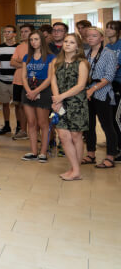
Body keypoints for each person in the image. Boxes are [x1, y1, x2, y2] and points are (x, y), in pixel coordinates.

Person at [50, 33, 89, 181]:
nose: (67, 44)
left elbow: (80, 86)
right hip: (59, 103)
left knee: (75, 136)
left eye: (72, 42)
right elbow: (53, 81)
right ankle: (75, 169)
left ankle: (75, 170)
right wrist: (57, 99)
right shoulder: (56, 61)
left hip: (77, 103)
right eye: (66, 41)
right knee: (63, 136)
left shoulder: (82, 63)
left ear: (77, 46)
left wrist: (61, 97)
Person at [82, 27, 118, 169]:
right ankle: (91, 154)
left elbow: (109, 77)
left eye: (94, 36)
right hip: (87, 93)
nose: (90, 38)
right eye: (88, 36)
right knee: (89, 126)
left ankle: (110, 156)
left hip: (103, 93)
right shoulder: (85, 54)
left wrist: (93, 89)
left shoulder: (109, 54)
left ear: (101, 38)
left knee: (107, 125)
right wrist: (86, 90)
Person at [19, 30, 55, 162]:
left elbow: (50, 77)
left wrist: (37, 91)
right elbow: (23, 76)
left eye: (36, 39)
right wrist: (29, 90)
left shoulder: (50, 57)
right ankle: (33, 151)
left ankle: (43, 152)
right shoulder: (26, 57)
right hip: (28, 89)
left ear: (42, 41)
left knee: (43, 123)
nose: (33, 42)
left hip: (43, 90)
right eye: (31, 40)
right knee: (31, 123)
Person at [9, 23, 34, 140]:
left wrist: (21, 62)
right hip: (18, 80)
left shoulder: (36, 46)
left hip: (31, 81)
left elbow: (35, 64)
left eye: (26, 31)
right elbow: (12, 62)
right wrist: (24, 63)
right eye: (22, 32)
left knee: (31, 107)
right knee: (19, 106)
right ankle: (22, 130)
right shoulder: (19, 47)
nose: (23, 34)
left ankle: (34, 131)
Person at [0, 25, 19, 136]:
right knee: (5, 104)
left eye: (9, 32)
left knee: (18, 105)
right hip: (2, 80)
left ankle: (19, 126)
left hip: (16, 81)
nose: (7, 34)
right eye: (5, 32)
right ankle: (7, 125)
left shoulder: (19, 47)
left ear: (14, 34)